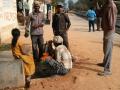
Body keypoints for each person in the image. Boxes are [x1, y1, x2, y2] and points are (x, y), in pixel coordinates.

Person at [97, 0, 117, 76]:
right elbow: (99, 13)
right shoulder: (106, 5)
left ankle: (107, 70)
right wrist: (97, 3)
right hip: (106, 30)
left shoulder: (111, 6)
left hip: (109, 31)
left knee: (108, 49)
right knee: (105, 48)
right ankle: (104, 63)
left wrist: (106, 30)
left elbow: (111, 24)